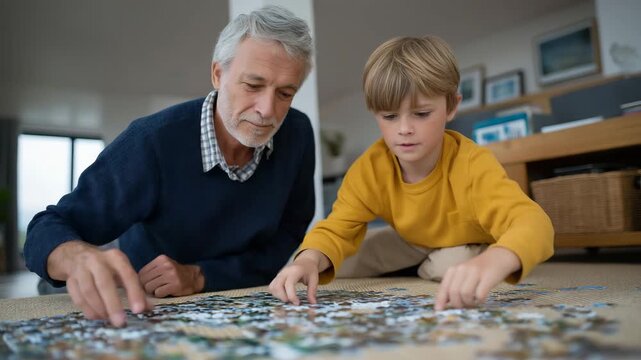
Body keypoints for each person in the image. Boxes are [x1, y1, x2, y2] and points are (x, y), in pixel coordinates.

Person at [24, 5, 316, 327]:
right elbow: (47, 226)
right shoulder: (151, 141)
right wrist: (75, 256)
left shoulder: (298, 134)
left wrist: (201, 276)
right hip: (149, 307)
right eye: (253, 85)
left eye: (285, 93)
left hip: (242, 302)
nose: (266, 110)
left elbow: (290, 231)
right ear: (218, 74)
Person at [269, 35, 554, 310]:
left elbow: (534, 222)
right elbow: (338, 228)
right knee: (327, 262)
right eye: (390, 116)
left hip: (469, 242)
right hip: (410, 242)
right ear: (375, 112)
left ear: (451, 106)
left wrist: (496, 259)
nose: (404, 129)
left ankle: (459, 260)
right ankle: (421, 263)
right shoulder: (371, 168)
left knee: (448, 267)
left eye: (421, 114)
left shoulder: (472, 163)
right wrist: (307, 260)